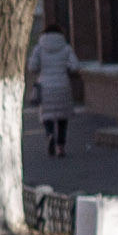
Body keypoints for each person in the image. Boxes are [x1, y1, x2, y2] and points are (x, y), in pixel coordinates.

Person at [28, 23, 81, 157]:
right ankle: (60, 147)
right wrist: (66, 68)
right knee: (62, 118)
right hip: (62, 85)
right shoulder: (66, 48)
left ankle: (50, 134)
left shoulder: (39, 48)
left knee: (47, 115)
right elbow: (75, 66)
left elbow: (32, 67)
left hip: (45, 87)